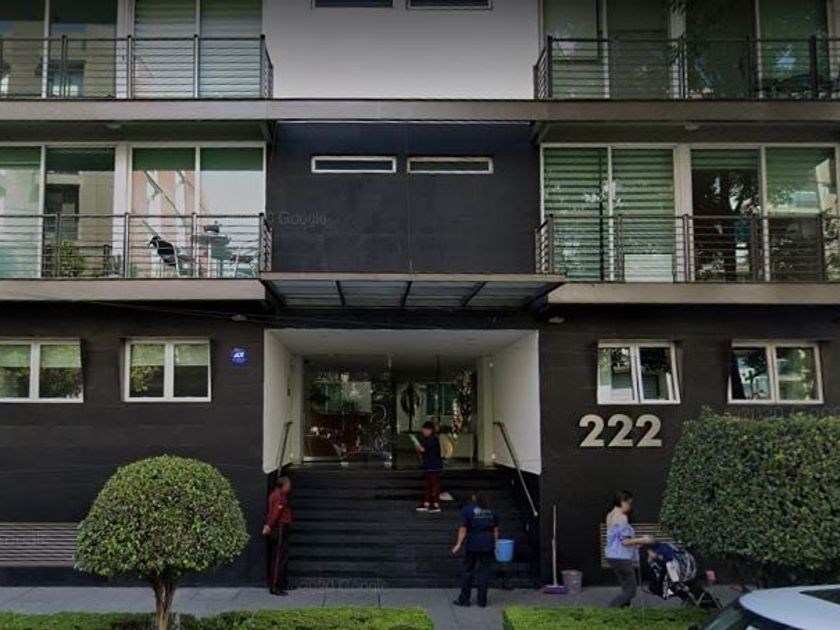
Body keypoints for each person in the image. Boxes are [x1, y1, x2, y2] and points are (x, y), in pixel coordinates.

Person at [605, 489, 653, 607]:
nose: (630, 507)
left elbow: (617, 538)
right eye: (629, 503)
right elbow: (625, 542)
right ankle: (610, 610)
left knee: (626, 588)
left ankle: (624, 612)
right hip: (621, 557)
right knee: (631, 591)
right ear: (622, 501)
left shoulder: (610, 515)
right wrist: (643, 540)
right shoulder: (622, 517)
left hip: (613, 556)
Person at [451, 491, 499, 608]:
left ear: (474, 498)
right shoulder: (492, 511)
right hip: (487, 543)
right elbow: (495, 530)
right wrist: (496, 544)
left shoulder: (468, 510)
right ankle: (482, 601)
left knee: (467, 570)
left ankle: (464, 599)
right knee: (484, 572)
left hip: (473, 543)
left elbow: (463, 528)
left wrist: (458, 544)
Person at [262, 475, 293, 596]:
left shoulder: (279, 494)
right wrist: (269, 525)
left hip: (282, 527)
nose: (290, 486)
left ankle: (281, 583)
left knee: (281, 557)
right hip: (279, 528)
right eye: (288, 483)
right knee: (278, 558)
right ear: (284, 484)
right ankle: (275, 586)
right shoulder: (278, 496)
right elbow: (275, 513)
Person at [414, 421, 443, 513]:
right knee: (428, 486)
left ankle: (436, 504)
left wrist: (416, 443)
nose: (423, 432)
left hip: (433, 466)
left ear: (429, 430)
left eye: (424, 430)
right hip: (429, 466)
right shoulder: (428, 439)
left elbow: (423, 449)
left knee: (434, 486)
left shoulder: (433, 439)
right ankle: (426, 504)